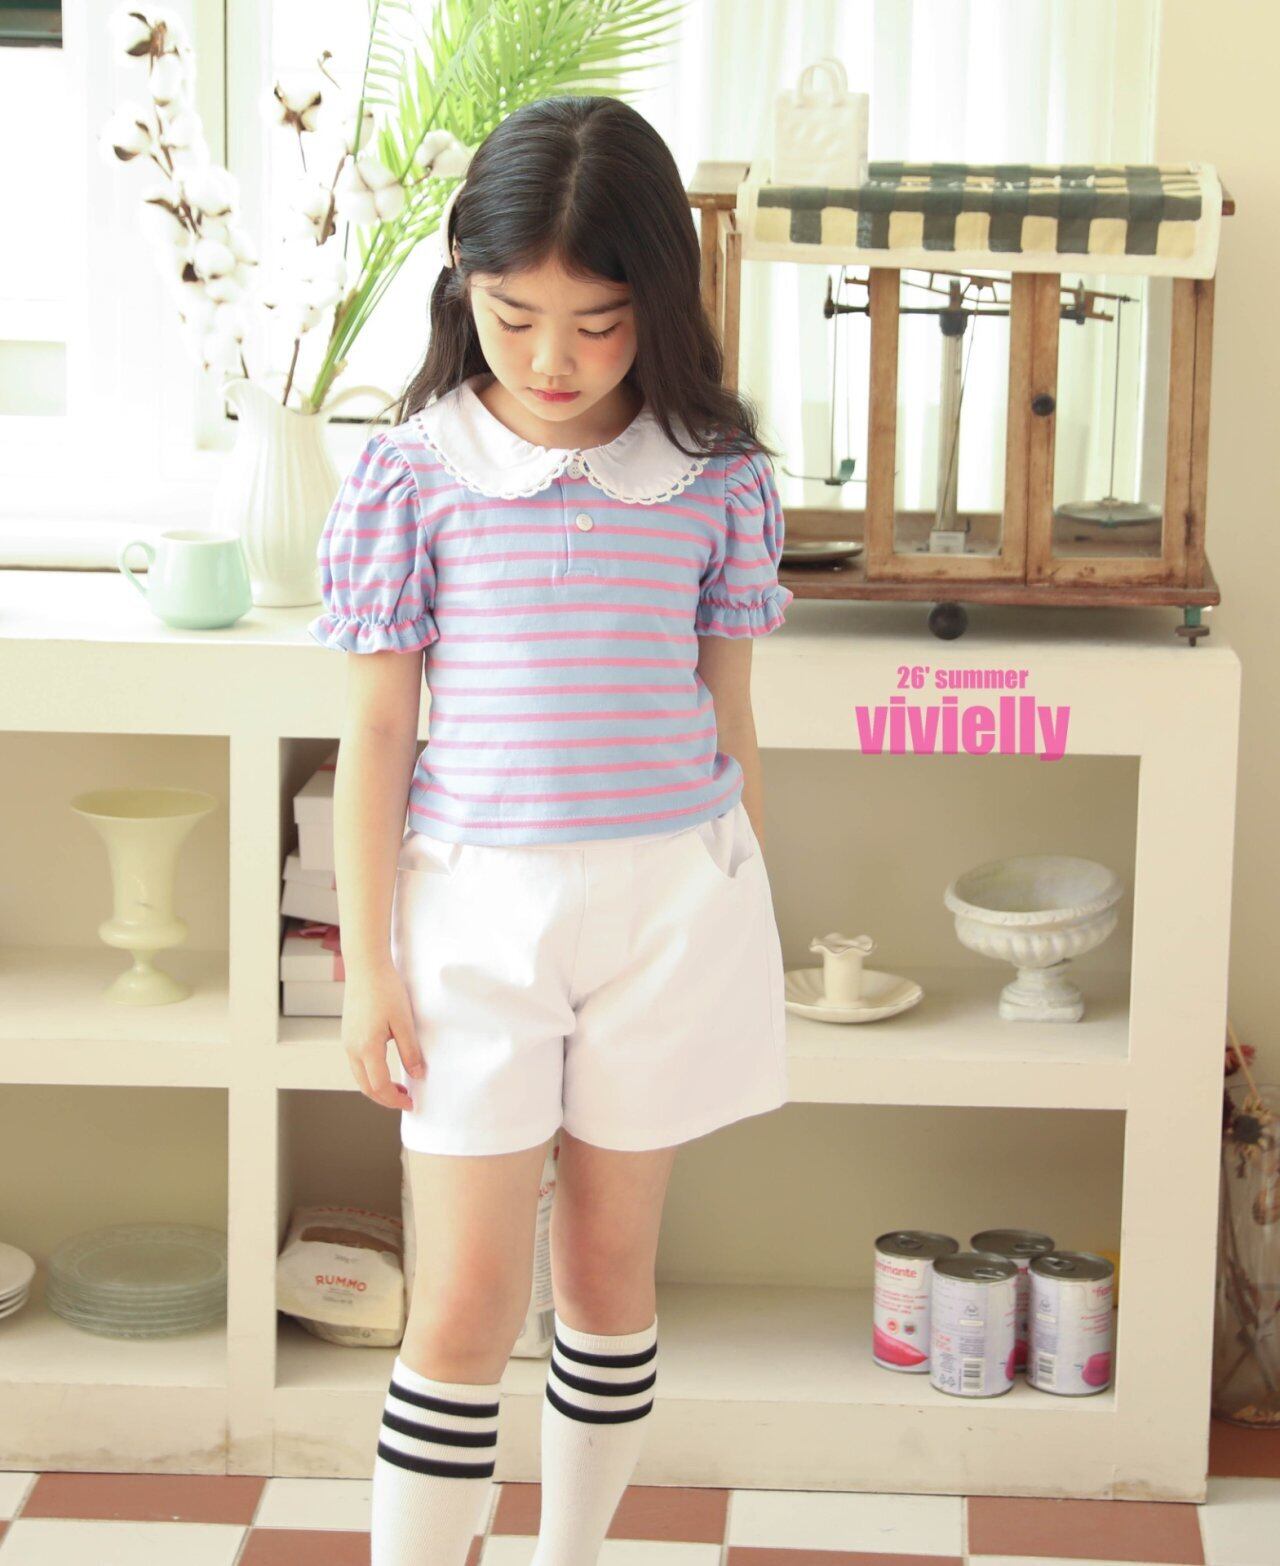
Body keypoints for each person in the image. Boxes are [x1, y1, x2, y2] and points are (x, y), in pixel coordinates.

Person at [308, 94, 794, 1566]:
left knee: (607, 1276)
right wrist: (370, 967)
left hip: (671, 905)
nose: (552, 359)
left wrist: (744, 897)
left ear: (661, 301)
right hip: (476, 914)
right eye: (514, 317)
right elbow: (377, 734)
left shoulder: (714, 474)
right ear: (463, 281)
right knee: (462, 1304)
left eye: (598, 322)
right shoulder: (416, 471)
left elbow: (730, 713)